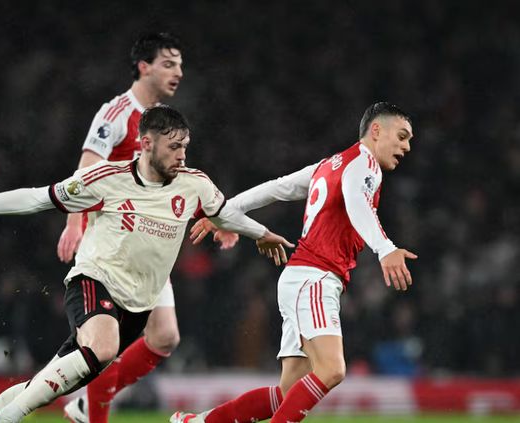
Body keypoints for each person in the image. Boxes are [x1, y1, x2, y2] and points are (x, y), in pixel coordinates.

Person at [0, 105, 293, 423]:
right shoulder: (106, 178)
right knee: (103, 347)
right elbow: (37, 198)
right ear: (146, 143)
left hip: (137, 307)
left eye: (185, 147)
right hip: (95, 281)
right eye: (174, 147)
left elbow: (225, 214)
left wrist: (260, 233)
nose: (182, 155)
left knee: (47, 384)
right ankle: (4, 421)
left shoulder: (195, 185)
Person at [171, 102, 418, 423]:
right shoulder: (364, 164)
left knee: (288, 393)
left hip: (301, 279)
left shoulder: (330, 165)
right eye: (401, 136)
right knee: (332, 369)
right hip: (315, 277)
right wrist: (385, 248)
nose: (406, 147)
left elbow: (278, 187)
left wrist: (225, 212)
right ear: (376, 130)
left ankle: (199, 422)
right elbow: (357, 201)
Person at [54, 31, 236, 423]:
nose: (178, 72)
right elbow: (85, 169)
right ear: (143, 67)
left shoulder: (162, 120)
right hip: (115, 245)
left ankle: (87, 403)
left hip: (149, 243)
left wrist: (214, 217)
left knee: (165, 337)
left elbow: (175, 183)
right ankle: (91, 412)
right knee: (111, 342)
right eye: (169, 64)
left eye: (180, 64)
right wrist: (73, 223)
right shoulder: (116, 113)